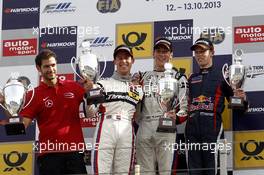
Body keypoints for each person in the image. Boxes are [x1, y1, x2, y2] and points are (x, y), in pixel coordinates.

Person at [19, 49, 92, 175]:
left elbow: (92, 109)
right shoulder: (33, 94)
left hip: (74, 152)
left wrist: (91, 90)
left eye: (53, 65)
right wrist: (8, 106)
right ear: (38, 68)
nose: (51, 69)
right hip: (49, 154)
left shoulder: (73, 87)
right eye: (46, 66)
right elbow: (22, 125)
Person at [186, 38, 248, 175]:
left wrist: (242, 99)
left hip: (212, 130)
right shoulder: (190, 78)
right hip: (191, 131)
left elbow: (238, 105)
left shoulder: (223, 76)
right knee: (193, 172)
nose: (199, 54)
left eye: (203, 51)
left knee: (213, 171)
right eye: (197, 52)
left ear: (212, 52)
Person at [135, 38, 188, 175]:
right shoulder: (142, 77)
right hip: (145, 125)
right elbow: (133, 103)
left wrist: (175, 117)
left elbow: (184, 107)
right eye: (158, 51)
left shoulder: (179, 77)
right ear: (153, 53)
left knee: (166, 171)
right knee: (145, 172)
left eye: (165, 51)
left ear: (171, 54)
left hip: (166, 126)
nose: (162, 54)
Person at [89, 45, 143, 174]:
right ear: (114, 62)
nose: (123, 61)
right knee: (101, 171)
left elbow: (140, 117)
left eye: (127, 58)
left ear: (132, 61)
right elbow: (90, 112)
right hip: (106, 126)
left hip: (127, 128)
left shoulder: (138, 89)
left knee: (124, 172)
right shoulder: (102, 84)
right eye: (120, 58)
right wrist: (89, 92)